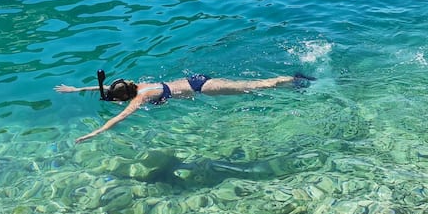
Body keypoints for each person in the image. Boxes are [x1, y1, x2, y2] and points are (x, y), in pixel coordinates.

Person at [59, 69, 314, 143]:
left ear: (125, 97)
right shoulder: (140, 86)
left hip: (201, 87)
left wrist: (96, 132)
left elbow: (119, 118)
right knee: (249, 86)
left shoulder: (140, 99)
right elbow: (105, 88)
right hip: (194, 80)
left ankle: (294, 80)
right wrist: (77, 89)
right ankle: (292, 82)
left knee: (254, 86)